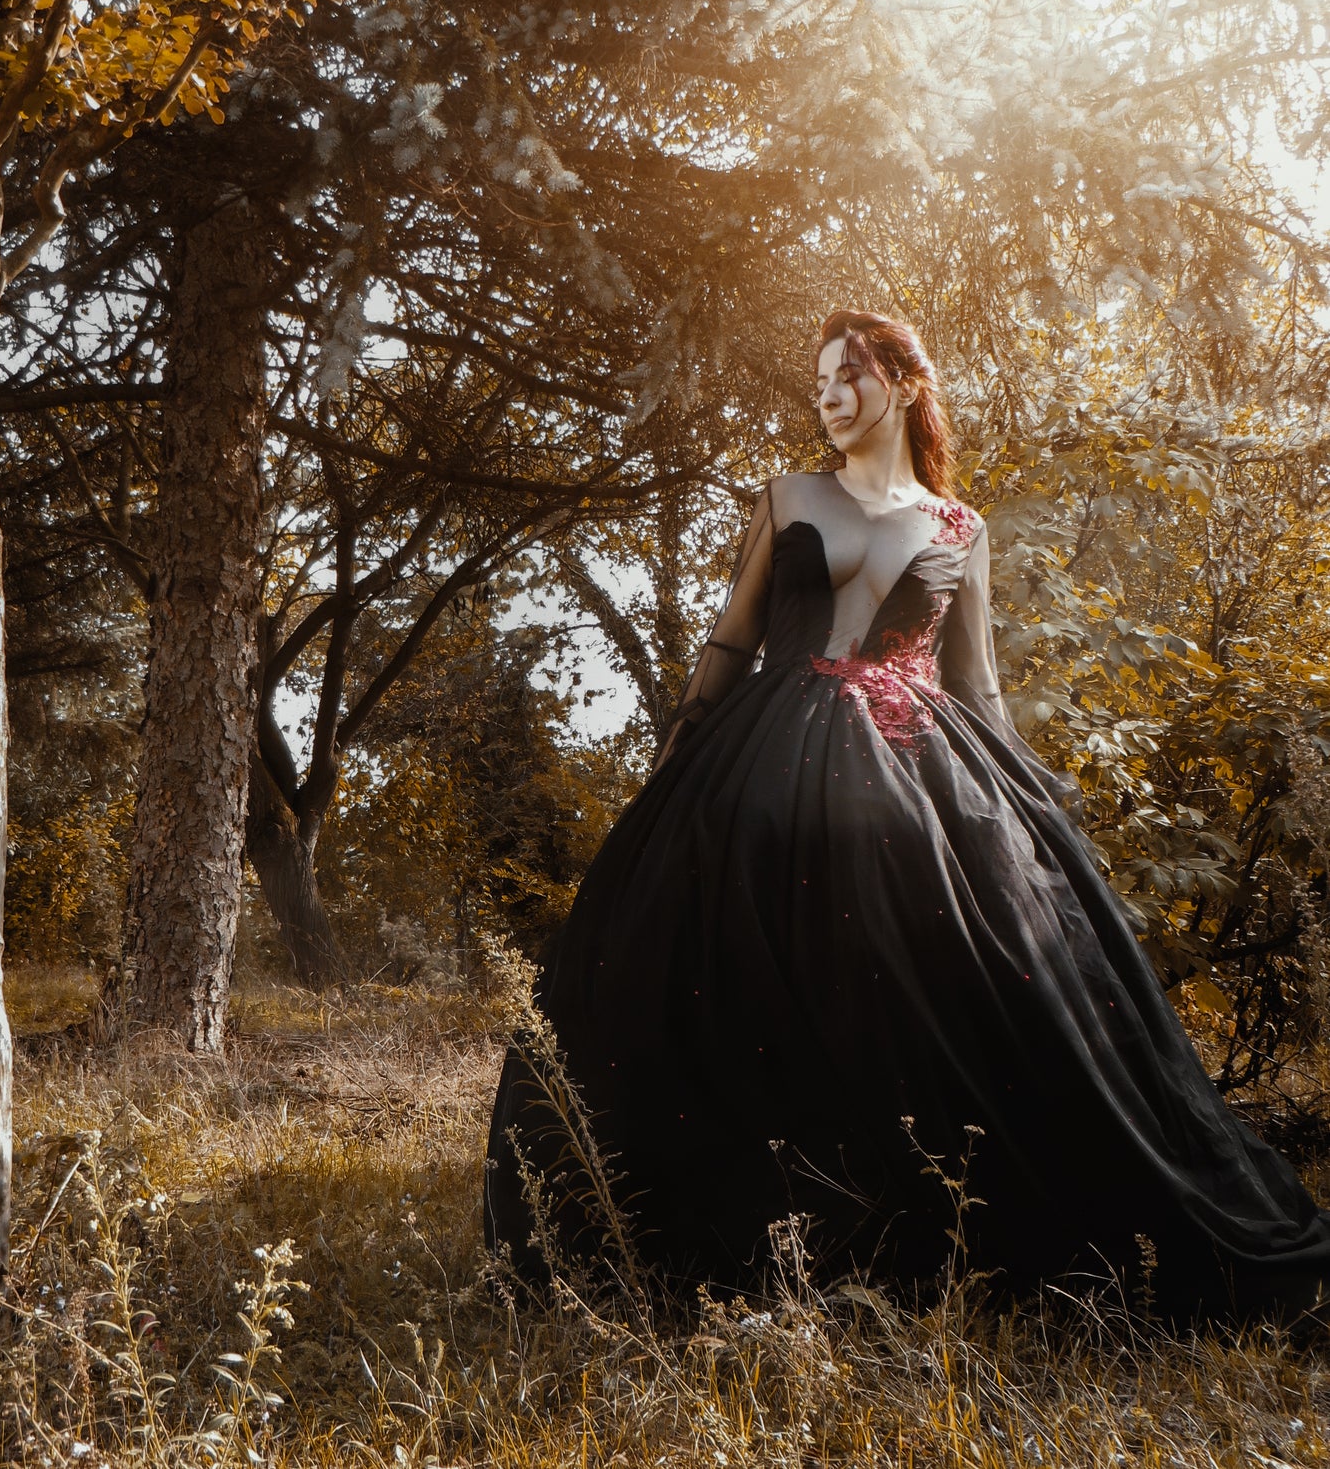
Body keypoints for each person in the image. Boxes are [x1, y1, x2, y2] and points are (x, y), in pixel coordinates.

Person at [484, 310, 1330, 1323]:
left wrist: (1028, 807)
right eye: (820, 381)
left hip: (912, 770)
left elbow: (976, 687)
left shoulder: (960, 528)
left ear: (905, 383)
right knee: (733, 972)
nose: (830, 394)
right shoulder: (789, 496)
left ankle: (916, 1230)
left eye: (849, 374)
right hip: (764, 761)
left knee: (939, 978)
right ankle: (748, 1229)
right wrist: (676, 762)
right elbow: (729, 640)